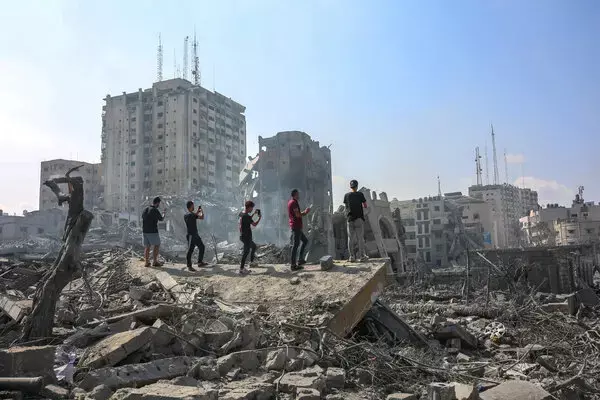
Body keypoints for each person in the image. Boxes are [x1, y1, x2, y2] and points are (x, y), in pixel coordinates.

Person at [343, 179, 369, 262]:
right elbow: (365, 205)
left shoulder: (346, 195)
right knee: (360, 238)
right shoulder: (360, 194)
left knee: (350, 238)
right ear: (357, 186)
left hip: (350, 219)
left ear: (350, 187)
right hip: (358, 219)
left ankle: (351, 257)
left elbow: (346, 207)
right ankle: (362, 256)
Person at [288, 189, 310, 271]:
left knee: (305, 241)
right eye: (298, 194)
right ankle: (293, 265)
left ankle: (300, 260)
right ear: (295, 194)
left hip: (297, 226)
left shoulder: (291, 202)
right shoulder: (293, 203)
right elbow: (297, 215)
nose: (299, 195)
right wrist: (306, 212)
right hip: (296, 226)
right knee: (295, 245)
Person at [239, 200, 261, 275]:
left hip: (243, 235)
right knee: (246, 252)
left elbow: (248, 219)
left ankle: (251, 262)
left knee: (254, 246)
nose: (252, 209)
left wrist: (254, 214)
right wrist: (259, 218)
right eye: (252, 208)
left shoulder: (242, 213)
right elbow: (254, 224)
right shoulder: (246, 216)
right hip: (246, 237)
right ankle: (241, 269)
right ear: (249, 207)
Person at [184, 200, 208, 271]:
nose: (194, 206)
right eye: (193, 205)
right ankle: (189, 266)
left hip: (194, 235)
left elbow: (195, 215)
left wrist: (198, 212)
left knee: (202, 247)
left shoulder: (186, 215)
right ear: (191, 206)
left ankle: (200, 262)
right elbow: (202, 217)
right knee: (190, 250)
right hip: (192, 236)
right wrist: (201, 210)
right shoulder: (192, 215)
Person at [142, 196, 165, 267]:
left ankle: (146, 262)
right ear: (157, 203)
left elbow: (143, 217)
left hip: (145, 231)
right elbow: (161, 219)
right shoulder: (155, 210)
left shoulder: (145, 209)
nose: (159, 205)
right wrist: (164, 213)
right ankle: (155, 261)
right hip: (152, 231)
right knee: (157, 245)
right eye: (159, 204)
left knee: (147, 246)